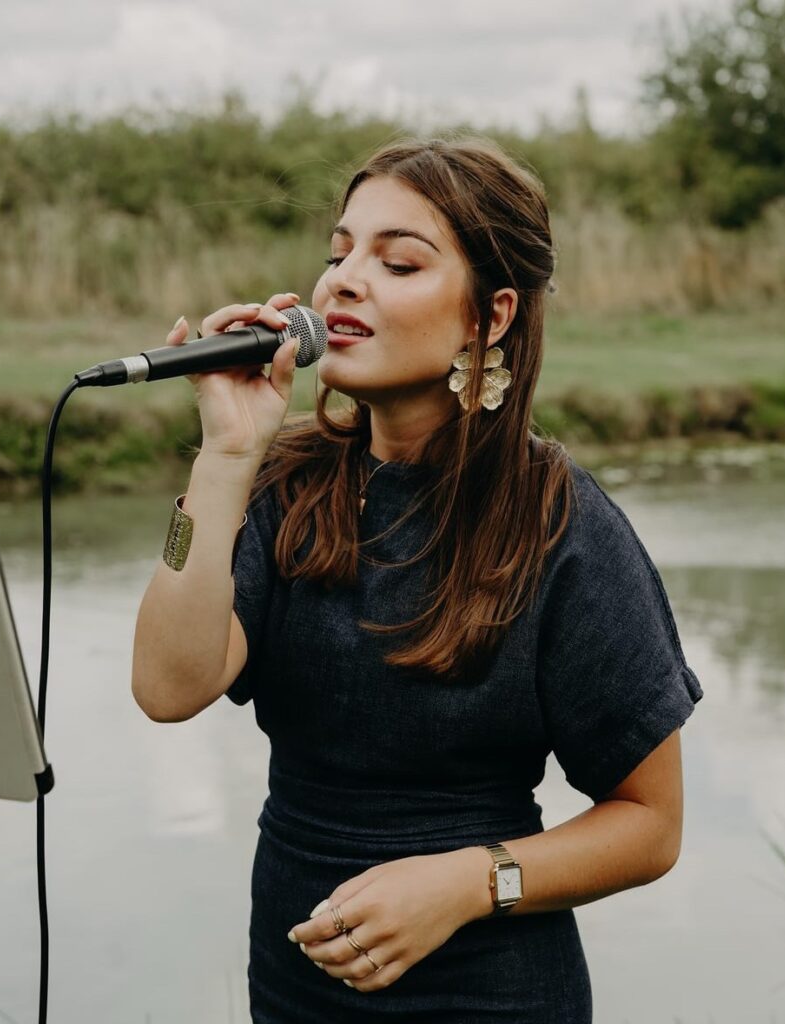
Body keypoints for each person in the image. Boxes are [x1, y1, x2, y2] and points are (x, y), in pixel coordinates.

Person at [131, 135, 703, 1023]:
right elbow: (168, 687)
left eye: (397, 261)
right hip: (295, 986)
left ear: (491, 316)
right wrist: (224, 457)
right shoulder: (284, 485)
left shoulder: (563, 523)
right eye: (338, 252)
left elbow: (649, 824)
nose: (344, 279)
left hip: (492, 992)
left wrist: (469, 884)